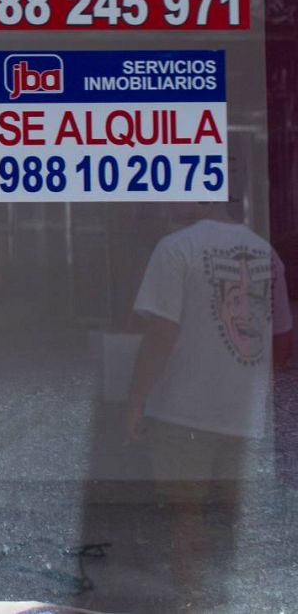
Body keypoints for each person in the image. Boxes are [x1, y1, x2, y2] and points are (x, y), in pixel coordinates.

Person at [125, 195, 294, 608]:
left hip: (183, 413)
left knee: (186, 517)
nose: (162, 197)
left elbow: (161, 334)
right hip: (245, 416)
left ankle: (194, 602)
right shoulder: (265, 252)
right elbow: (283, 336)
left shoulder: (176, 248)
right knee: (237, 519)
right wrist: (255, 390)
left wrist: (135, 402)